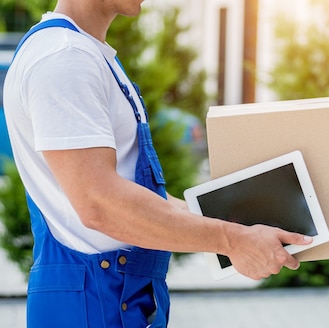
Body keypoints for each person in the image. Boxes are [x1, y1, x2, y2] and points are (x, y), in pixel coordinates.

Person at [3, 0, 312, 327]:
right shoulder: (64, 58)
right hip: (94, 304)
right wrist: (231, 240)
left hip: (116, 297)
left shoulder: (85, 53)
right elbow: (99, 204)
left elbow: (138, 196)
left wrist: (243, 226)